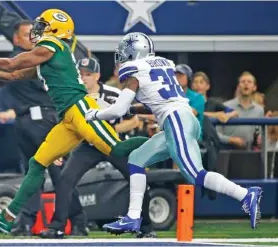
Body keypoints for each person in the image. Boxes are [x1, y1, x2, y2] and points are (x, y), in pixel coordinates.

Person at [0, 9, 148, 233]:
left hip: (81, 110)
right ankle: (7, 216)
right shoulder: (48, 55)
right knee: (37, 163)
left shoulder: (53, 46)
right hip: (67, 119)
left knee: (117, 149)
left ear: (55, 30)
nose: (37, 29)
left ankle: (162, 143)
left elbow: (12, 64)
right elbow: (12, 76)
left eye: (43, 25)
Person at [85, 32, 263, 233]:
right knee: (136, 159)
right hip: (181, 119)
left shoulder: (134, 70)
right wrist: (133, 109)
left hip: (176, 121)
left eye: (125, 52)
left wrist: (94, 114)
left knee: (196, 175)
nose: (122, 57)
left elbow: (116, 110)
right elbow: (158, 102)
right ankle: (133, 217)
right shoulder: (162, 65)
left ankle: (246, 195)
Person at [0, 20, 86, 236]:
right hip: (25, 121)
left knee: (59, 173)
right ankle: (25, 222)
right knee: (32, 173)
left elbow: (11, 68)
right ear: (16, 38)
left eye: (35, 33)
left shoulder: (47, 54)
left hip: (47, 119)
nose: (33, 37)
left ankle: (77, 220)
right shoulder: (27, 55)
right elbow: (9, 70)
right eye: (27, 34)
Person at [39, 57, 155, 239]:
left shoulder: (113, 94)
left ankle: (146, 227)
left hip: (114, 144)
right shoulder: (71, 96)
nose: (84, 78)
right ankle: (57, 226)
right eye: (81, 74)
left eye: (88, 74)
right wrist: (58, 151)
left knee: (138, 178)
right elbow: (65, 127)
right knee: (65, 180)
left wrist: (107, 130)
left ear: (97, 76)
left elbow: (133, 120)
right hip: (87, 146)